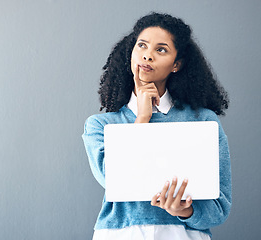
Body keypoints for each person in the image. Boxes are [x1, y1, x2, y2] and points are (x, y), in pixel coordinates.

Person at [82, 12, 231, 240]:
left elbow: (219, 209)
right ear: (131, 53)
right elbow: (111, 178)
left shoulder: (204, 121)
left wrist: (185, 210)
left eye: (161, 49)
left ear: (176, 64)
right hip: (121, 234)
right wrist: (142, 118)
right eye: (142, 46)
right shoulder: (100, 125)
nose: (147, 56)